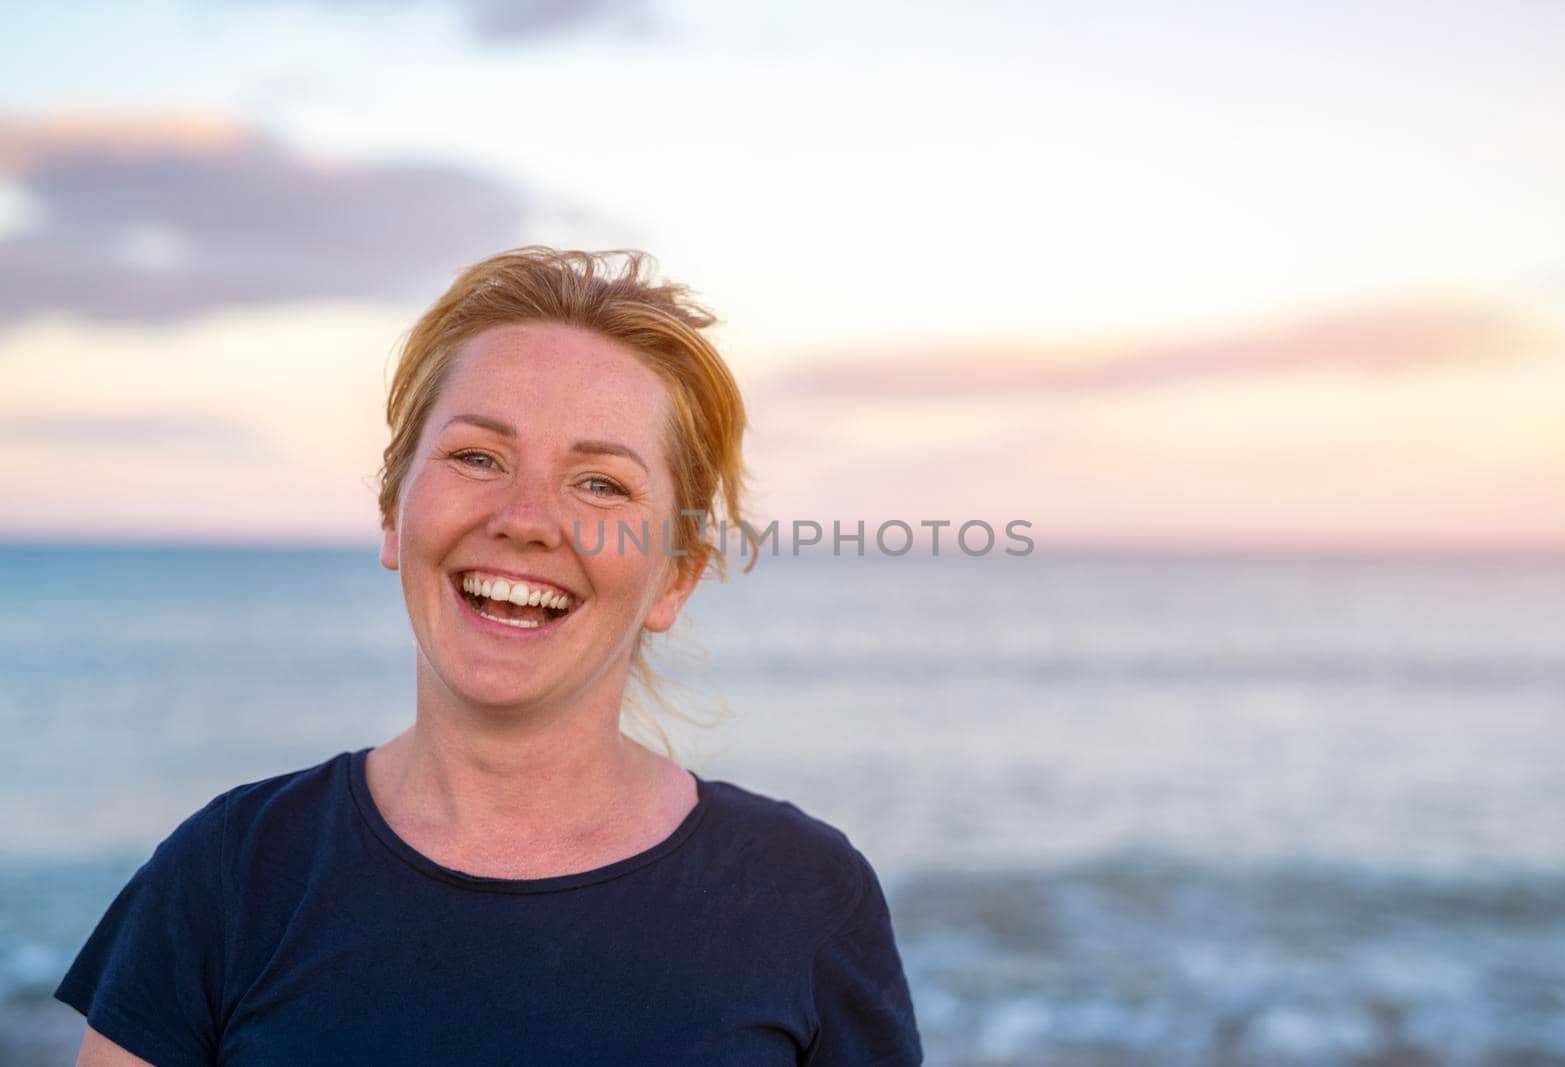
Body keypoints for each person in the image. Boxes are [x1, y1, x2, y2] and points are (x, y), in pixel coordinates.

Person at [55, 248, 922, 1065]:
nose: (524, 518)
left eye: (600, 483)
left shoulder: (805, 896)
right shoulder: (229, 873)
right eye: (478, 456)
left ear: (676, 577)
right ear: (395, 514)